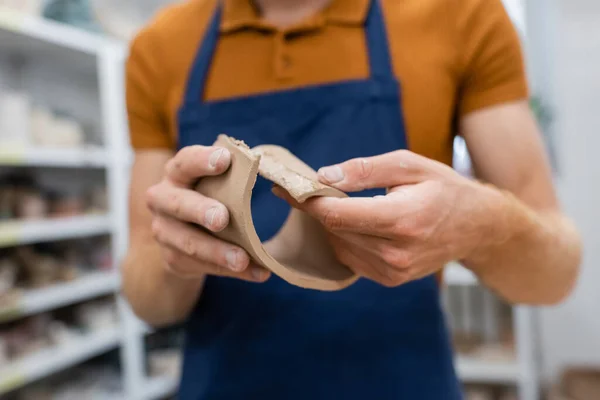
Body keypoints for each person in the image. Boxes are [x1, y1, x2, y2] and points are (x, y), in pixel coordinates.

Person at [122, 0, 582, 398]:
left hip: (403, 382)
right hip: (228, 381)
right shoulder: (160, 48)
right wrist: (175, 254)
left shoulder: (458, 16)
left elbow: (555, 276)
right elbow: (145, 299)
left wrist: (484, 225)